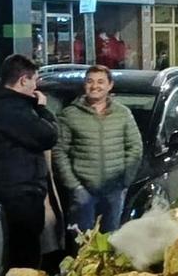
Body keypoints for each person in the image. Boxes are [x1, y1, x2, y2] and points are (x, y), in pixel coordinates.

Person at [0, 54, 61, 272]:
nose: (35, 87)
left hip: (1, 189)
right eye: (33, 81)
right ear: (22, 81)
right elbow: (48, 136)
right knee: (24, 258)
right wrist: (42, 109)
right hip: (20, 195)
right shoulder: (13, 109)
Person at [54, 65, 142, 235]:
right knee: (82, 245)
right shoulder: (69, 115)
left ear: (110, 85)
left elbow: (135, 147)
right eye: (90, 81)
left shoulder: (123, 113)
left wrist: (125, 181)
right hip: (83, 194)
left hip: (113, 191)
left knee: (111, 242)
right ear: (84, 85)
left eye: (101, 81)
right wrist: (75, 187)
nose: (95, 86)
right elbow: (59, 153)